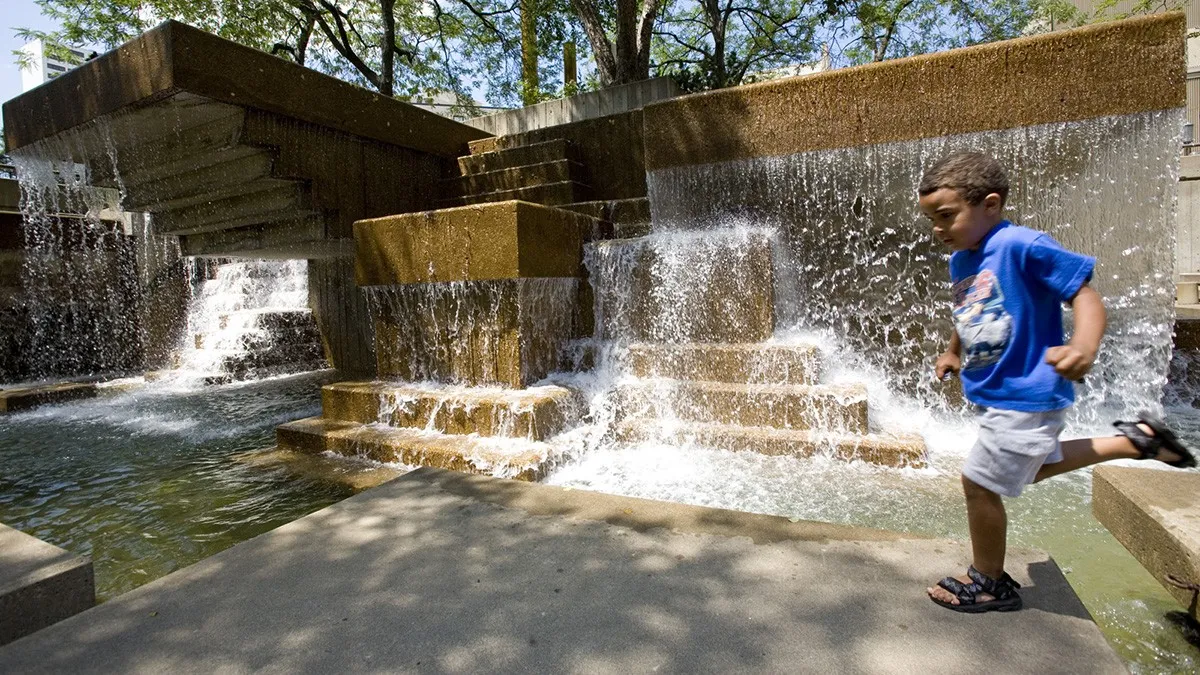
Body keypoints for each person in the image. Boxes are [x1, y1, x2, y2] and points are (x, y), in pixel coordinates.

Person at [917, 151, 1197, 613]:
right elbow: (969, 309)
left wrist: (1083, 348)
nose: (938, 229)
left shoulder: (1023, 245)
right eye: (931, 219)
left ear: (990, 204)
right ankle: (1137, 442)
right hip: (999, 391)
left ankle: (989, 581)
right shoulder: (962, 260)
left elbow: (1085, 297)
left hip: (1028, 390)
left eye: (946, 216)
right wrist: (952, 350)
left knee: (979, 483)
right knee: (1024, 471)